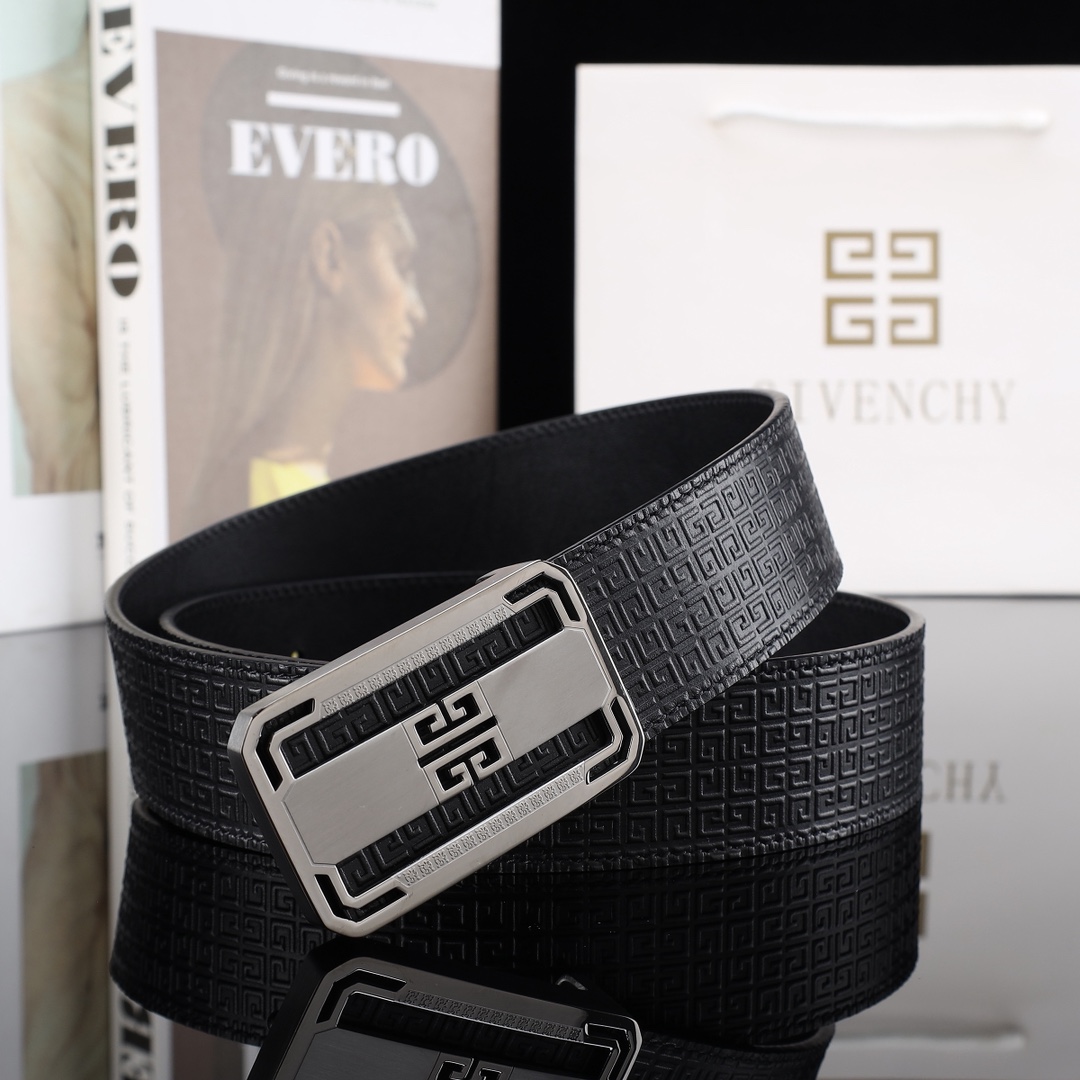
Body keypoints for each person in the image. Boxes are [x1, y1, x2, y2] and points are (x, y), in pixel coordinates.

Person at [182, 177, 427, 533]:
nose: (419, 312)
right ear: (329, 257)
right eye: (401, 266)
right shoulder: (264, 503)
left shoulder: (290, 489)